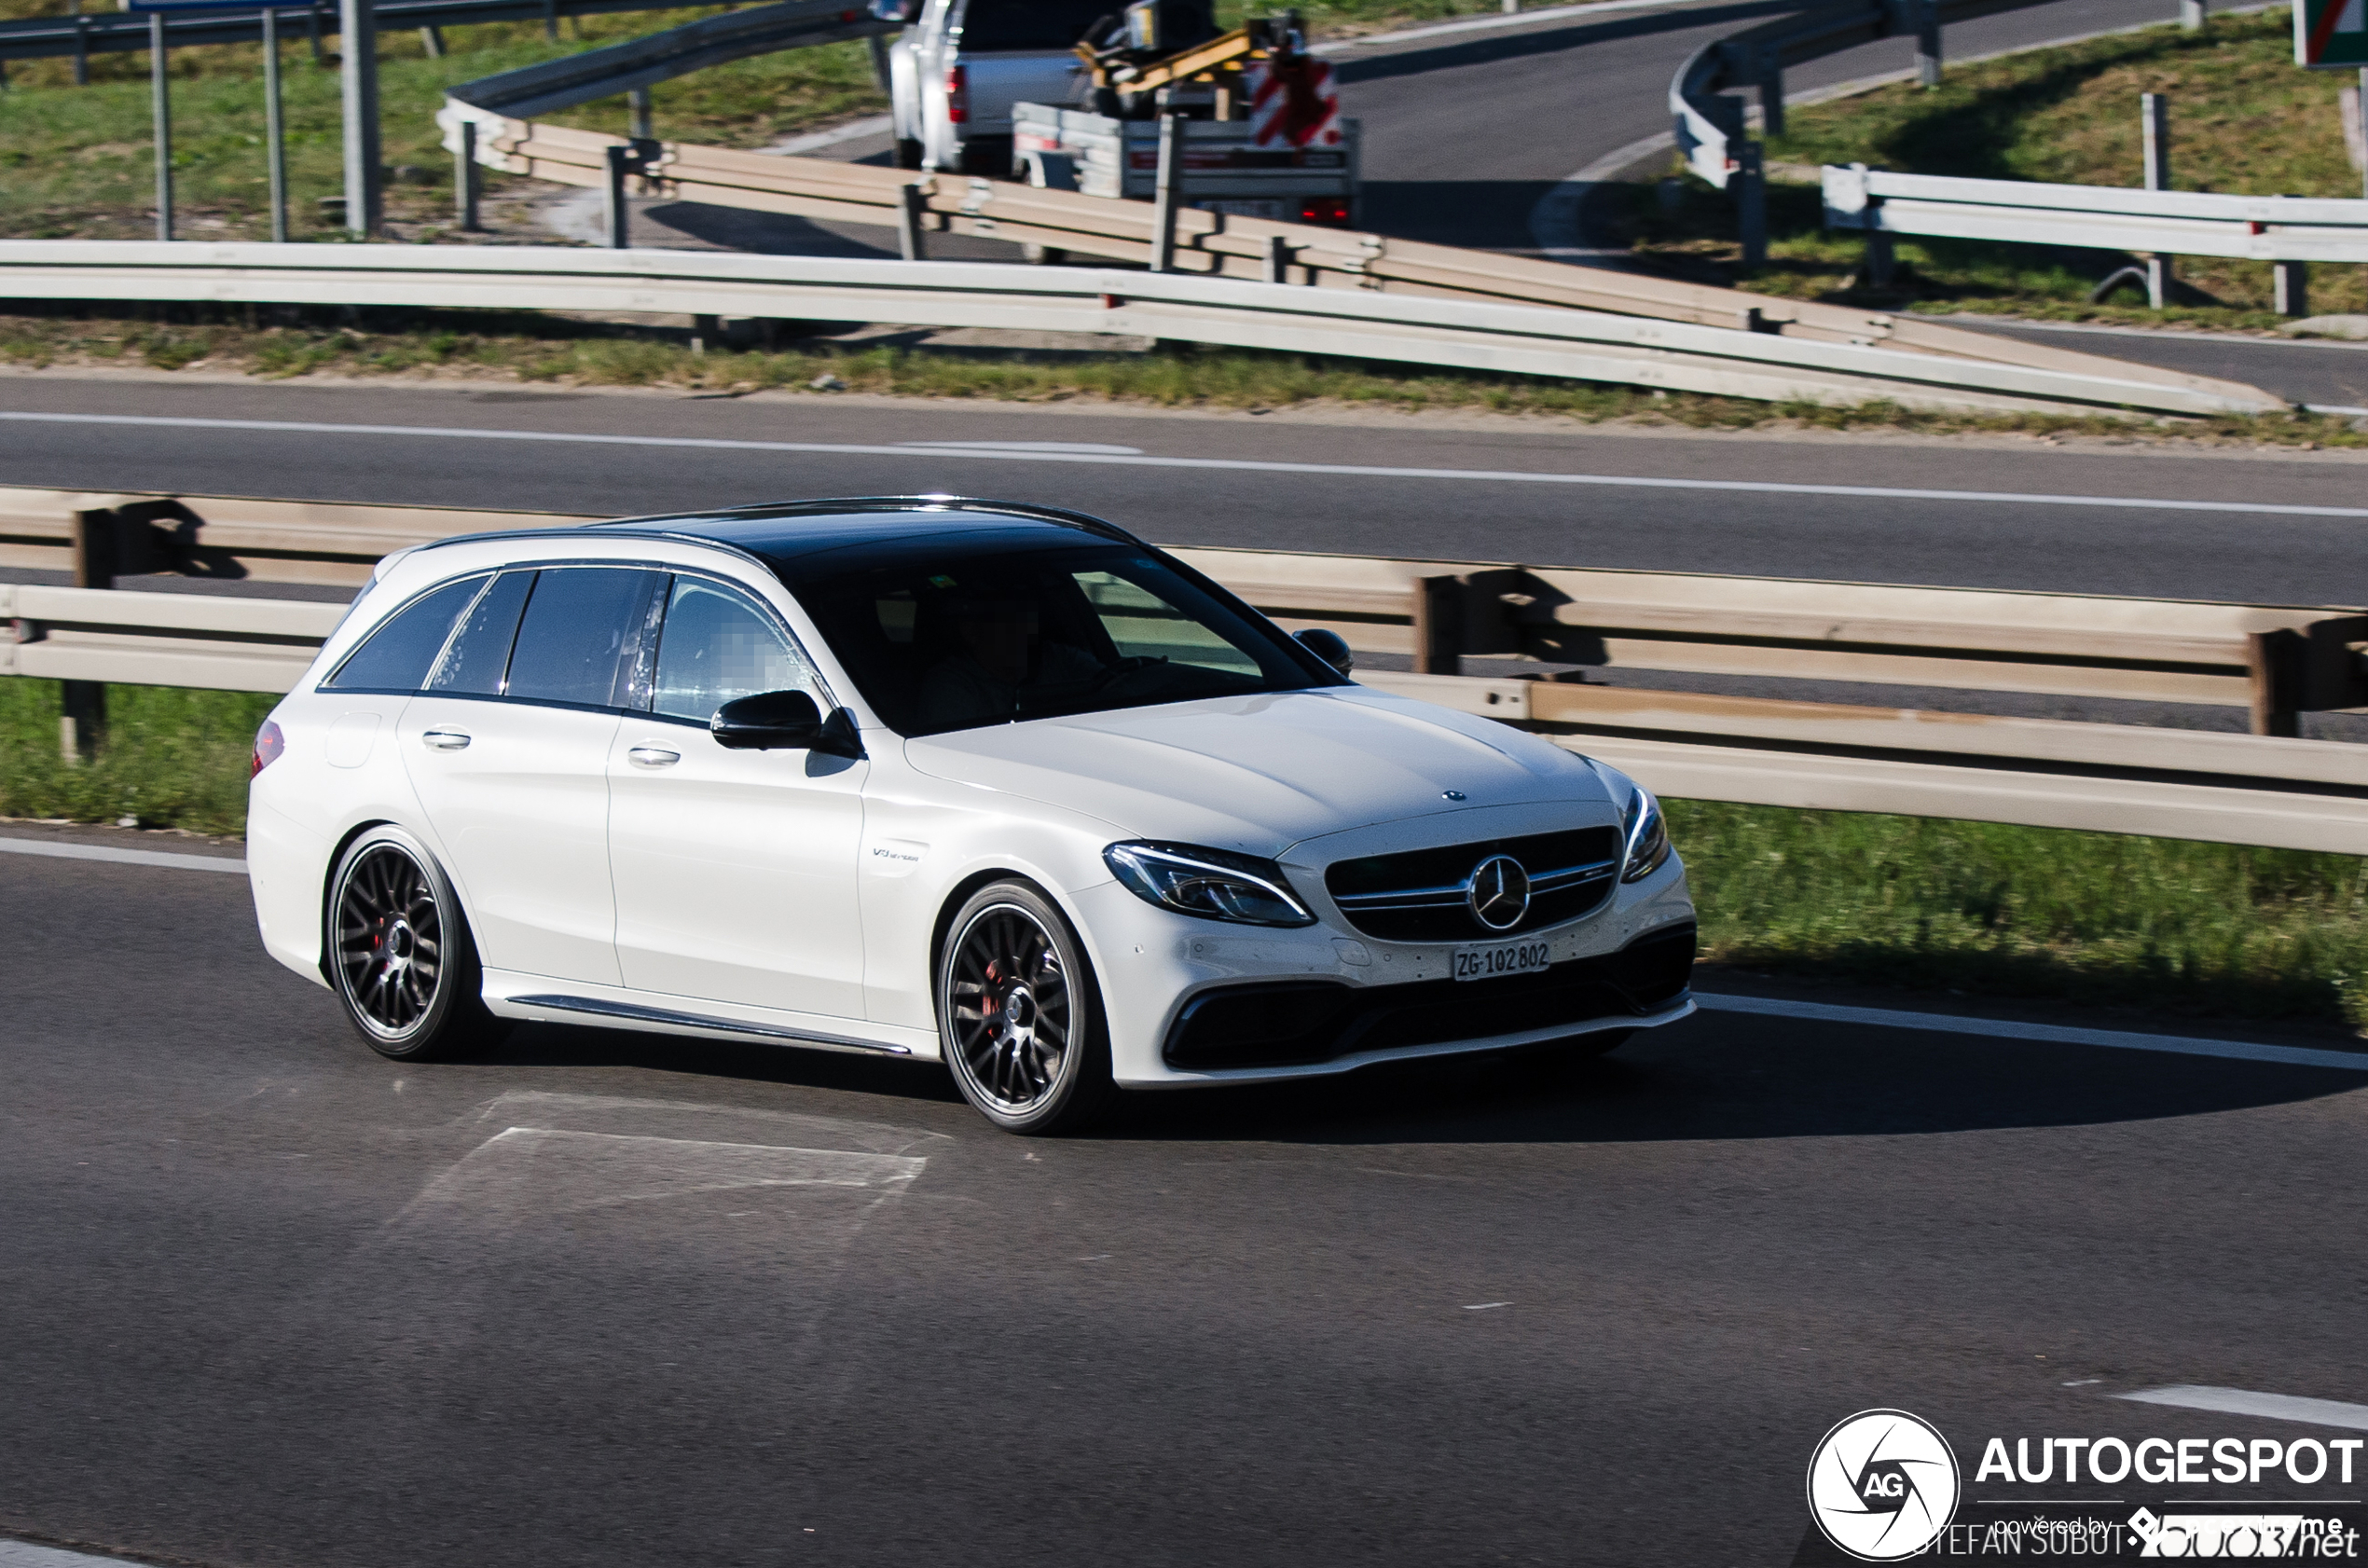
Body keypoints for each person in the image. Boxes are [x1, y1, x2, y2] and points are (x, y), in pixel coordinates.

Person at [917, 591, 1101, 728]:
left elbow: (1113, 683)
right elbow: (961, 746)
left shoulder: (1060, 659)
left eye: (1023, 619)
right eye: (1005, 621)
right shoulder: (951, 686)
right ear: (971, 632)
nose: (1020, 630)